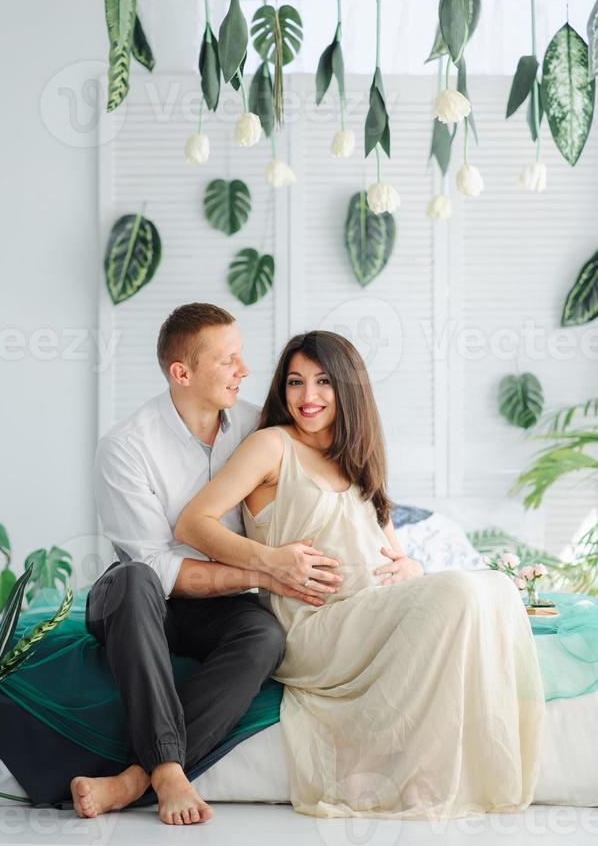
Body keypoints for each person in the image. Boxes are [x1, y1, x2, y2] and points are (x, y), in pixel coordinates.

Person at [175, 330, 546, 820]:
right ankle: (411, 780)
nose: (308, 397)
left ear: (348, 387)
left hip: (374, 615)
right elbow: (192, 523)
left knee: (494, 586)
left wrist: (410, 566)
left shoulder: (358, 460)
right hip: (314, 625)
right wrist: (268, 561)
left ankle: (446, 773)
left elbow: (393, 551)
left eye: (323, 381)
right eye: (295, 382)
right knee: (457, 589)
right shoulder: (271, 445)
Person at [72, 304, 344, 826]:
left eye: (242, 356)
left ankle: (132, 780)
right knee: (134, 580)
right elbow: (156, 566)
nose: (244, 370)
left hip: (213, 607)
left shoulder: (256, 428)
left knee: (264, 635)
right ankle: (169, 769)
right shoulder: (126, 448)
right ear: (182, 373)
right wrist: (266, 571)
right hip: (136, 604)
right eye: (229, 360)